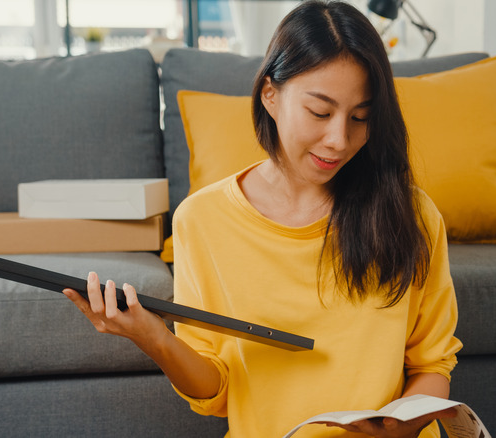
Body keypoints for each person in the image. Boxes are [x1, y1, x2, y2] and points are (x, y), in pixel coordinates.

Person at [63, 1, 462, 436]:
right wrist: (154, 338)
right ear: (270, 95)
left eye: (361, 118)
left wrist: (405, 424)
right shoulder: (203, 219)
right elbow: (217, 392)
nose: (339, 140)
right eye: (320, 112)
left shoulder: (411, 213)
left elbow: (432, 364)